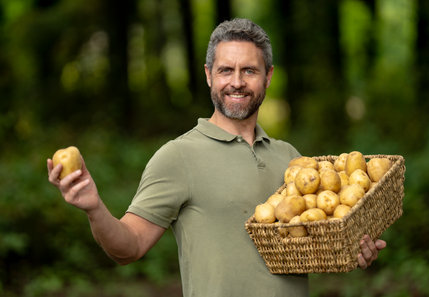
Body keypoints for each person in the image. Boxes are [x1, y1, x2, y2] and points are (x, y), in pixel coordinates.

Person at [48, 18, 386, 297]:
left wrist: (351, 250)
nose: (236, 82)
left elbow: (309, 246)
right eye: (226, 71)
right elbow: (129, 247)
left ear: (268, 77)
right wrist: (94, 208)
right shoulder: (178, 156)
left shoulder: (294, 161)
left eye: (249, 71)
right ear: (209, 75)